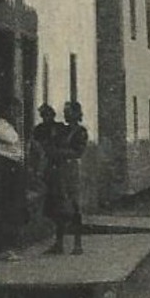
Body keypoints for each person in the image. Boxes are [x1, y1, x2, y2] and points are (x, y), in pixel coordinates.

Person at [46, 101, 89, 255]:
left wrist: (59, 152)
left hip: (71, 171)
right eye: (64, 111)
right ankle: (59, 244)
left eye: (68, 111)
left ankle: (78, 244)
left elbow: (78, 152)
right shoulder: (61, 130)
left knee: (74, 205)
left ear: (76, 113)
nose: (65, 114)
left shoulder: (80, 131)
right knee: (59, 205)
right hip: (59, 171)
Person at [0, 96, 27, 260]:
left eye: (18, 110)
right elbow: (8, 140)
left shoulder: (10, 126)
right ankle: (5, 248)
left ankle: (11, 246)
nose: (17, 113)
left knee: (15, 208)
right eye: (14, 110)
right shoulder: (0, 125)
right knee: (8, 207)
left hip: (14, 168)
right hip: (7, 168)